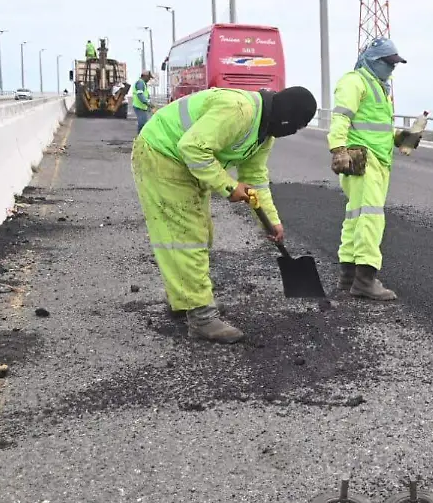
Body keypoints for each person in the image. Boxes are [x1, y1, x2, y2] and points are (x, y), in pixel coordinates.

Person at [131, 85, 318, 343]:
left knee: (202, 234)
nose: (292, 132)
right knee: (187, 236)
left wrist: (271, 221)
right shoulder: (239, 110)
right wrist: (228, 186)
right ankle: (201, 317)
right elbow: (192, 147)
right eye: (295, 127)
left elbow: (255, 179)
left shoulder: (265, 132)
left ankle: (183, 299)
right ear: (286, 118)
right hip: (162, 154)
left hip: (185, 164)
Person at [327, 37, 419, 300]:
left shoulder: (380, 87)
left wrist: (401, 138)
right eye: (387, 63)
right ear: (372, 60)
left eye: (394, 64)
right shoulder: (355, 81)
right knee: (370, 217)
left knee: (356, 216)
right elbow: (341, 117)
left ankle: (348, 276)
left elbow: (377, 130)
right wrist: (338, 149)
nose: (391, 69)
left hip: (378, 159)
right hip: (362, 160)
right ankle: (365, 279)